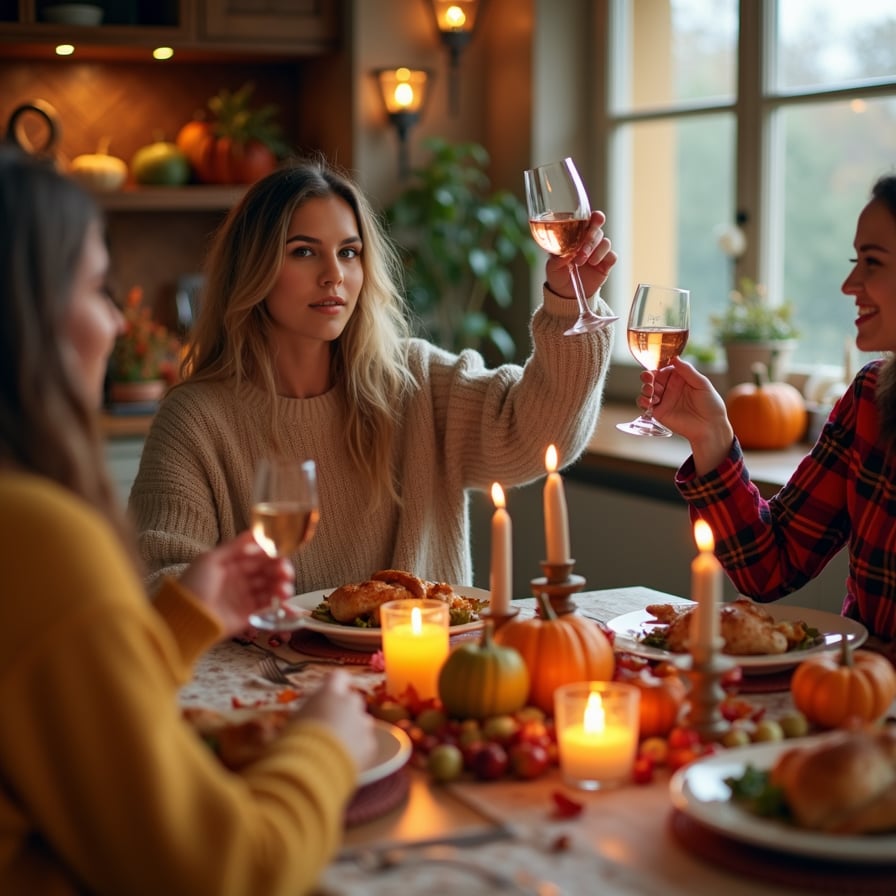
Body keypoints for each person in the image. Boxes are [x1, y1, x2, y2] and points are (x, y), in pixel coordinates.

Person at [0, 143, 375, 895]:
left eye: (349, 252)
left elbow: (69, 713)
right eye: (98, 289)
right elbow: (223, 872)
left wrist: (181, 616)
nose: (113, 324)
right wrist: (329, 745)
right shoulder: (39, 537)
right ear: (27, 316)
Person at [130, 157, 618, 594]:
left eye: (348, 252)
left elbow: (536, 434)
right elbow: (159, 581)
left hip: (427, 680)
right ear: (253, 268)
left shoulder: (416, 380)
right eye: (303, 251)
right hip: (278, 686)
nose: (333, 275)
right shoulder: (196, 419)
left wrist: (568, 302)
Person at [645, 173, 896, 651]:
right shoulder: (867, 399)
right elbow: (769, 566)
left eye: (873, 262)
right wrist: (710, 435)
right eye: (853, 260)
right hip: (860, 700)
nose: (849, 284)